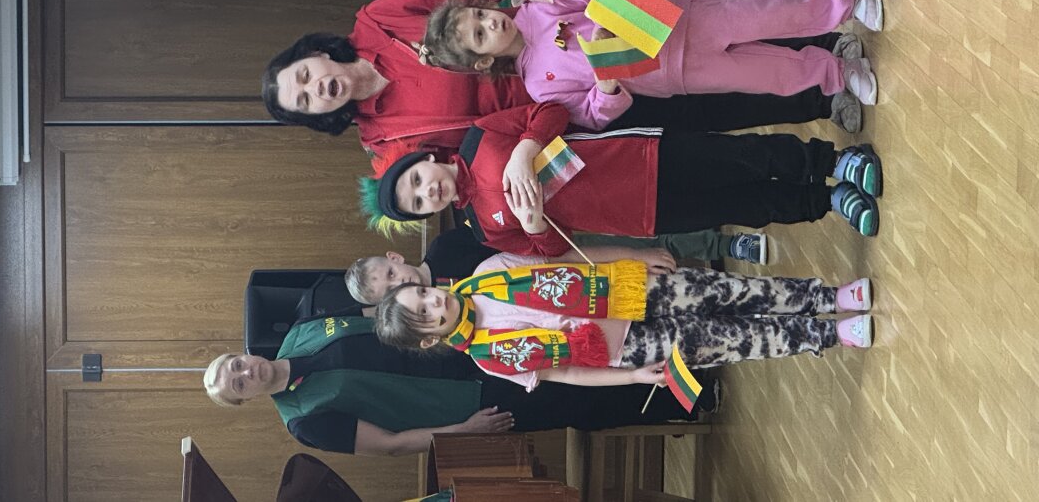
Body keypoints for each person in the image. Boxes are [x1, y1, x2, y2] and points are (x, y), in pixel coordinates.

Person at [359, 101, 883, 254]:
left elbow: (551, 112)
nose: (428, 192)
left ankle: (833, 163)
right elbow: (550, 252)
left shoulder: (479, 137)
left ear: (423, 159)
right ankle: (827, 202)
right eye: (419, 203)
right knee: (745, 208)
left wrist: (524, 149)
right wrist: (536, 225)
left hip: (640, 156)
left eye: (417, 182)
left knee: (744, 157)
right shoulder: (482, 229)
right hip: (639, 216)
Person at [202, 314, 717, 455]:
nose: (247, 373)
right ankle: (686, 400)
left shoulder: (303, 330)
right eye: (238, 385)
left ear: (243, 353)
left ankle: (674, 364)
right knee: (572, 402)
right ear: (246, 400)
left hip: (466, 347)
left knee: (567, 353)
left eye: (237, 364)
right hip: (468, 402)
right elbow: (390, 443)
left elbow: (384, 318)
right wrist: (463, 431)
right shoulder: (304, 423)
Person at [418, 0, 884, 123]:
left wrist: (605, 14)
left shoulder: (540, 2)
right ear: (485, 60)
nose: (489, 23)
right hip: (674, 76)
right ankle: (837, 74)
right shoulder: (540, 86)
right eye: (480, 35)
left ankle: (846, 2)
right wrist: (607, 85)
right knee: (768, 78)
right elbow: (593, 115)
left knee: (768, 12)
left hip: (681, 20)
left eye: (479, 14)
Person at [374, 254, 874, 388]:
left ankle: (826, 296)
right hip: (628, 349)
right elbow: (566, 372)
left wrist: (628, 259)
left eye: (424, 294)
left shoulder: (489, 273)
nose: (435, 303)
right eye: (426, 315)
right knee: (734, 341)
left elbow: (569, 259)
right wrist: (631, 376)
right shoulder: (489, 359)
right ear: (429, 341)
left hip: (629, 292)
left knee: (733, 291)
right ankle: (827, 332)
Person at [261, 0, 574, 155]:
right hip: (569, 115)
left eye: (305, 75)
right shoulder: (382, 139)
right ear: (316, 116)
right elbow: (465, 164)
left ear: (317, 53)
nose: (315, 87)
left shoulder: (377, 21)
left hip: (554, 35)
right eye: (305, 100)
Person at [346, 224, 772, 308]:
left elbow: (511, 239)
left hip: (563, 252)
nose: (399, 283)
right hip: (567, 298)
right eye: (390, 291)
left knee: (644, 245)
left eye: (391, 274)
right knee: (659, 291)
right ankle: (725, 292)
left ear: (394, 258)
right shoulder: (441, 314)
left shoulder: (446, 247)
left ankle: (725, 243)